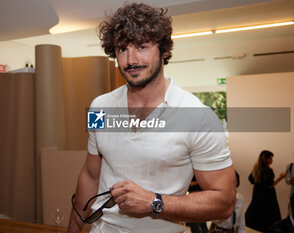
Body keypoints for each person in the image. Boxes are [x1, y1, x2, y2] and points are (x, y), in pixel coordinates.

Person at [67, 3, 236, 233]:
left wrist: (153, 202)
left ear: (164, 50)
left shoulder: (198, 117)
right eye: (122, 49)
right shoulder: (100, 107)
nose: (130, 60)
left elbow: (225, 202)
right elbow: (90, 174)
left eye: (142, 46)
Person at [245, 150, 287, 232]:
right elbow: (270, 185)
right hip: (267, 196)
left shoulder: (256, 168)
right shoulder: (268, 170)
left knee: (256, 213)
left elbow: (251, 180)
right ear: (266, 159)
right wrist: (281, 177)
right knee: (269, 216)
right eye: (271, 158)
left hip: (257, 194)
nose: (272, 160)